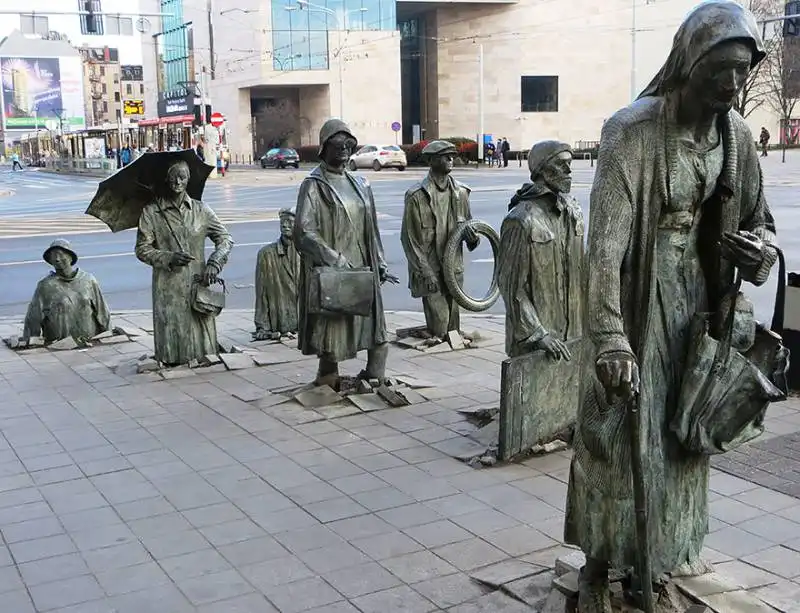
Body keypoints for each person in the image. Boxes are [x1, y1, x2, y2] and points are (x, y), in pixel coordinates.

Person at [563, 3, 779, 611]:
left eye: (743, 72)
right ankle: (600, 560)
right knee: (622, 438)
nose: (734, 85)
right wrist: (608, 337)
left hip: (698, 307)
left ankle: (654, 557)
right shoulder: (630, 133)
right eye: (723, 71)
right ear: (692, 62)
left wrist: (755, 251)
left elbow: (760, 222)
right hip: (637, 302)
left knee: (682, 443)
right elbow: (602, 248)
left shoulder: (735, 137)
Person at [294, 119, 398, 387]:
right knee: (334, 324)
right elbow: (303, 232)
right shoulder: (314, 185)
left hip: (364, 265)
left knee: (375, 325)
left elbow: (371, 228)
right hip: (336, 268)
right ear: (324, 147)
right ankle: (328, 374)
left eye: (348, 144)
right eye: (337, 144)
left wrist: (381, 263)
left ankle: (375, 373)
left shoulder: (361, 183)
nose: (343, 149)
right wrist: (334, 258)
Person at [135, 160, 234, 366]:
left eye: (182, 176)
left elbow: (225, 238)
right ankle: (172, 361)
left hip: (198, 282)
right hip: (168, 287)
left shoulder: (202, 210)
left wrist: (215, 263)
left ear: (189, 180)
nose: (177, 181)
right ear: (166, 179)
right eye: (173, 176)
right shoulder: (152, 212)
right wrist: (168, 257)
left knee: (202, 339)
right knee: (173, 339)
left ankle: (202, 358)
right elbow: (142, 249)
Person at [498, 140, 584, 359]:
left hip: (572, 333)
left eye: (570, 163)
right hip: (537, 342)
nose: (568, 170)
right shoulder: (521, 219)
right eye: (561, 164)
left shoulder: (572, 210)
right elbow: (511, 287)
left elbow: (581, 270)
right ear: (542, 170)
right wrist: (537, 334)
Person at [401, 140, 478, 339]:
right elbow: (409, 239)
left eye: (452, 155)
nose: (451, 159)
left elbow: (470, 230)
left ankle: (449, 336)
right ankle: (435, 333)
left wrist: (473, 239)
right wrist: (425, 271)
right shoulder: (416, 196)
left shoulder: (462, 193)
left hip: (454, 266)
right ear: (432, 160)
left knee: (453, 328)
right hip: (430, 266)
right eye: (446, 156)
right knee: (441, 327)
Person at [23, 239, 111, 344]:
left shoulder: (88, 280)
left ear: (70, 257)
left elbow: (102, 311)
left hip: (89, 342)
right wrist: (31, 341)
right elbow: (34, 317)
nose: (57, 259)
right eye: (53, 256)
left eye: (60, 254)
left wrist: (107, 335)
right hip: (59, 345)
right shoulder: (45, 286)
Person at [254, 208, 300, 340]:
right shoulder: (266, 254)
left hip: (302, 324)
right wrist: (262, 327)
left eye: (290, 221)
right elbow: (261, 294)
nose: (285, 225)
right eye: (283, 222)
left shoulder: (307, 252)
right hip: (280, 320)